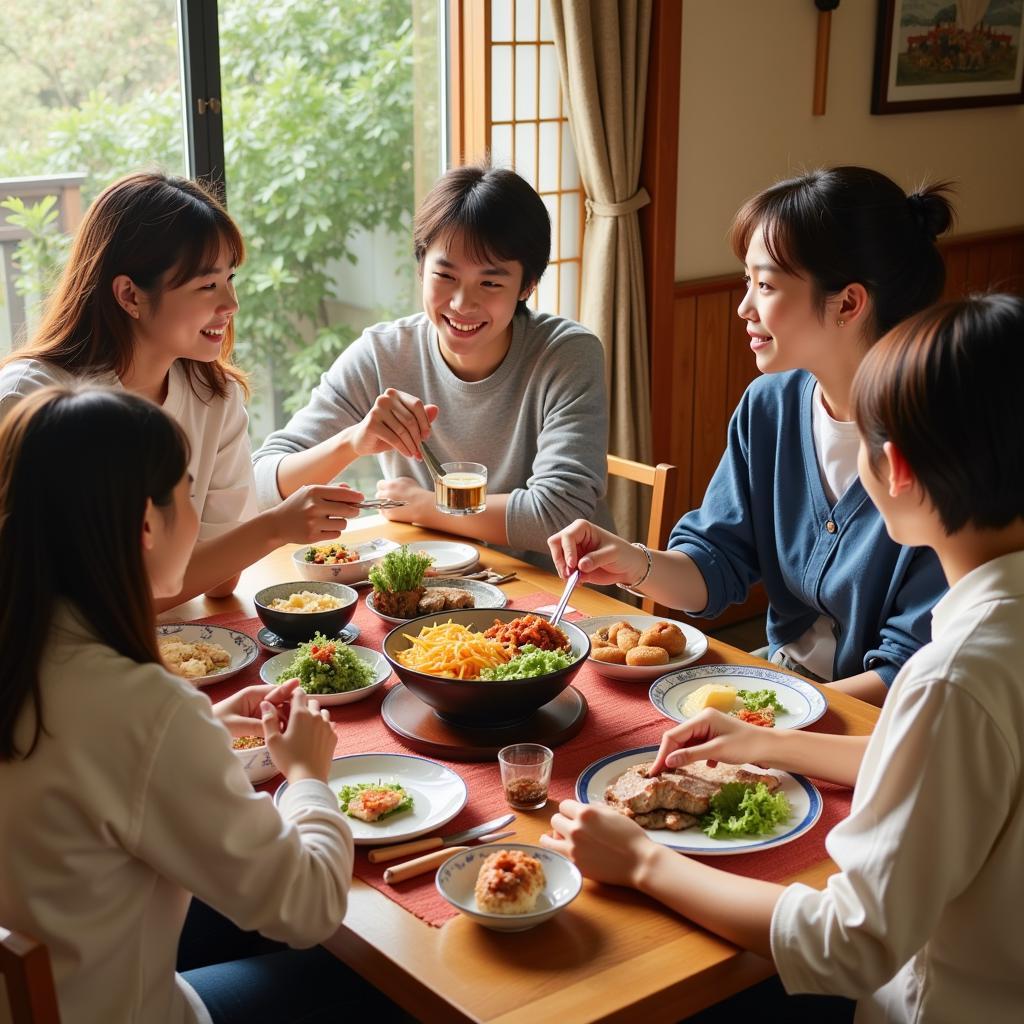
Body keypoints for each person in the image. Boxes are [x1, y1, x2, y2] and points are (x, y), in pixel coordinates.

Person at [542, 295, 1024, 1023]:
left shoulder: (953, 674)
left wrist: (642, 862)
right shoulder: (986, 651)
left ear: (893, 467)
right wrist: (765, 742)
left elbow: (847, 944)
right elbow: (955, 765)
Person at [0, 385, 411, 1024]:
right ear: (145, 523)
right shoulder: (140, 706)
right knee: (388, 974)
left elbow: (89, 777)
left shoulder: (27, 655)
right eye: (187, 495)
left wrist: (208, 727)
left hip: (49, 983)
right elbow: (309, 907)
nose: (195, 516)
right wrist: (307, 777)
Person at [549, 167, 953, 704]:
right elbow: (715, 566)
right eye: (747, 282)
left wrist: (766, 715)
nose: (743, 307)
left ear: (848, 303)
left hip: (878, 723)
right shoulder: (771, 407)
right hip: (780, 684)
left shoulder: (944, 439)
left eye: (765, 285)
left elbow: (909, 669)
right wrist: (632, 561)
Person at [0, 172, 363, 610]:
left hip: (174, 645)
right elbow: (80, 603)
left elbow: (222, 582)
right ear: (130, 295)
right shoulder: (31, 400)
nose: (231, 304)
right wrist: (273, 528)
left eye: (231, 279)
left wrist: (261, 531)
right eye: (207, 285)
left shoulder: (215, 395)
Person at [252, 164, 613, 565]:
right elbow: (262, 482)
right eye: (445, 275)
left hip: (553, 602)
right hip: (430, 596)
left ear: (527, 285)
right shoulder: (383, 353)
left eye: (490, 283)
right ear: (422, 266)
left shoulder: (567, 354)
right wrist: (352, 442)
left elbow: (559, 514)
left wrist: (426, 506)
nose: (462, 304)